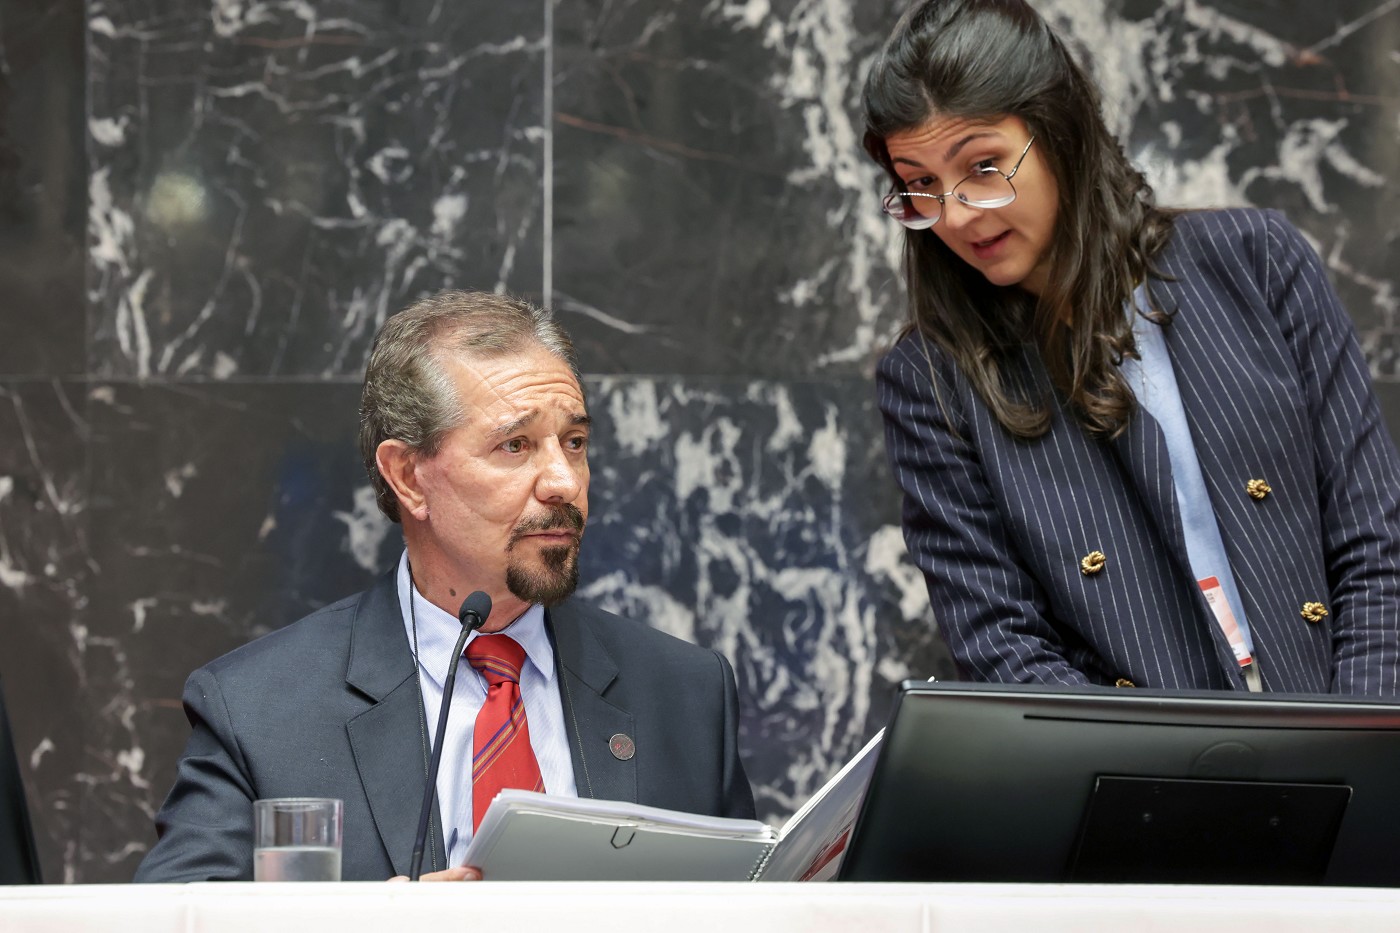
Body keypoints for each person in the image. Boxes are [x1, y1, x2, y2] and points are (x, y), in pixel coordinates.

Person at [864, 0, 1400, 694]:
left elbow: (1375, 545)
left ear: (1059, 133)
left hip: (1339, 723)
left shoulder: (1258, 263)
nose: (957, 214)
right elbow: (1002, 645)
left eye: (984, 166)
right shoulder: (932, 381)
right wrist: (1150, 758)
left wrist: (1353, 736)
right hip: (1132, 757)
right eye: (921, 185)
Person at [135, 290, 755, 882]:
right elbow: (173, 917)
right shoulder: (258, 710)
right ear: (408, 476)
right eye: (515, 445)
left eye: (574, 442)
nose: (564, 481)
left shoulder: (684, 694)